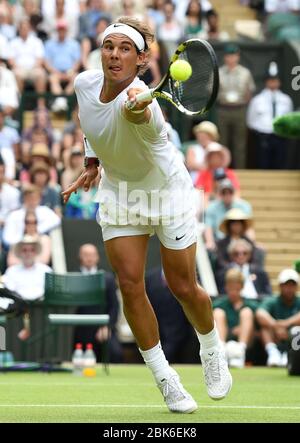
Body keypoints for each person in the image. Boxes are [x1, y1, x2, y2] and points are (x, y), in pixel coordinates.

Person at [62, 16, 232, 414]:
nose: (115, 55)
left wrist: (137, 107)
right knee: (129, 284)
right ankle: (165, 379)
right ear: (100, 51)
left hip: (167, 193)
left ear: (141, 60)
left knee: (182, 286)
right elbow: (86, 116)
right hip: (120, 194)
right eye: (109, 46)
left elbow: (136, 117)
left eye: (125, 49)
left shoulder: (146, 105)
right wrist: (92, 159)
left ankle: (211, 349)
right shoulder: (84, 83)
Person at [74, 243, 123, 363]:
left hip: (103, 328)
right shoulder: (73, 278)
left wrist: (107, 327)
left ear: (97, 257)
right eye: (86, 255)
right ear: (80, 257)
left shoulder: (108, 279)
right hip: (81, 329)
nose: (89, 258)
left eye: (92, 255)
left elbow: (114, 306)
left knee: (116, 353)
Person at [247, 62, 293, 169]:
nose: (273, 83)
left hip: (280, 137)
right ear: (266, 82)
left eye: (275, 80)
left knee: (280, 163)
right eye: (270, 80)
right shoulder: (257, 100)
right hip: (263, 137)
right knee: (263, 164)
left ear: (279, 82)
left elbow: (289, 119)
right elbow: (250, 120)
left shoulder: (286, 100)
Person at [217, 43, 256, 169]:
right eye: (229, 55)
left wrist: (244, 102)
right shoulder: (219, 72)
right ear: (225, 57)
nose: (231, 58)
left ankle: (240, 171)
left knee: (240, 143)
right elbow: (211, 90)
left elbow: (250, 91)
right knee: (222, 142)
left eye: (234, 55)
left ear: (238, 57)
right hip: (223, 109)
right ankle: (222, 171)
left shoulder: (245, 73)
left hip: (240, 109)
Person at [213, 268, 258, 368]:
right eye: (231, 289)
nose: (233, 292)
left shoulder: (251, 305)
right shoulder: (218, 304)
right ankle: (221, 352)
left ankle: (240, 352)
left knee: (246, 312)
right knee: (218, 312)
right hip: (224, 340)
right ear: (226, 287)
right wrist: (230, 330)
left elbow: (259, 327)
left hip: (246, 343)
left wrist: (242, 328)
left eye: (236, 289)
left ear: (242, 287)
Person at [256, 268, 300, 367]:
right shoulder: (272, 300)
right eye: (286, 285)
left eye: (292, 285)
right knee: (265, 327)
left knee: (296, 330)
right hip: (274, 337)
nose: (289, 288)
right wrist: (275, 326)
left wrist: (286, 324)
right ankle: (273, 352)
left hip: (293, 338)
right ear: (280, 286)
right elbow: (260, 313)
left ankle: (290, 354)